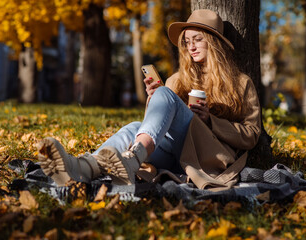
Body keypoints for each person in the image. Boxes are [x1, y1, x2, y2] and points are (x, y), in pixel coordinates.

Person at [37, 9, 261, 189]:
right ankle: (82, 167)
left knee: (163, 96)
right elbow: (153, 127)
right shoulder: (178, 80)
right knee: (133, 128)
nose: (190, 46)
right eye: (187, 41)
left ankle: (128, 160)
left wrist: (211, 120)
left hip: (208, 157)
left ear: (213, 42)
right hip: (176, 157)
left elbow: (252, 135)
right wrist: (153, 100)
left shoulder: (240, 83)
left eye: (197, 39)